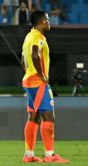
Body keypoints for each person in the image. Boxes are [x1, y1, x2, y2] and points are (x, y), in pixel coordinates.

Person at [21, 10, 68, 163]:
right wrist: (41, 75)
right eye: (48, 20)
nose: (49, 22)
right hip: (37, 82)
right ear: (42, 22)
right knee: (48, 117)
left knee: (33, 117)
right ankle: (50, 155)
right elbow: (35, 55)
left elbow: (23, 60)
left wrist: (30, 72)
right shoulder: (37, 37)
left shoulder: (28, 36)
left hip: (28, 80)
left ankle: (29, 155)